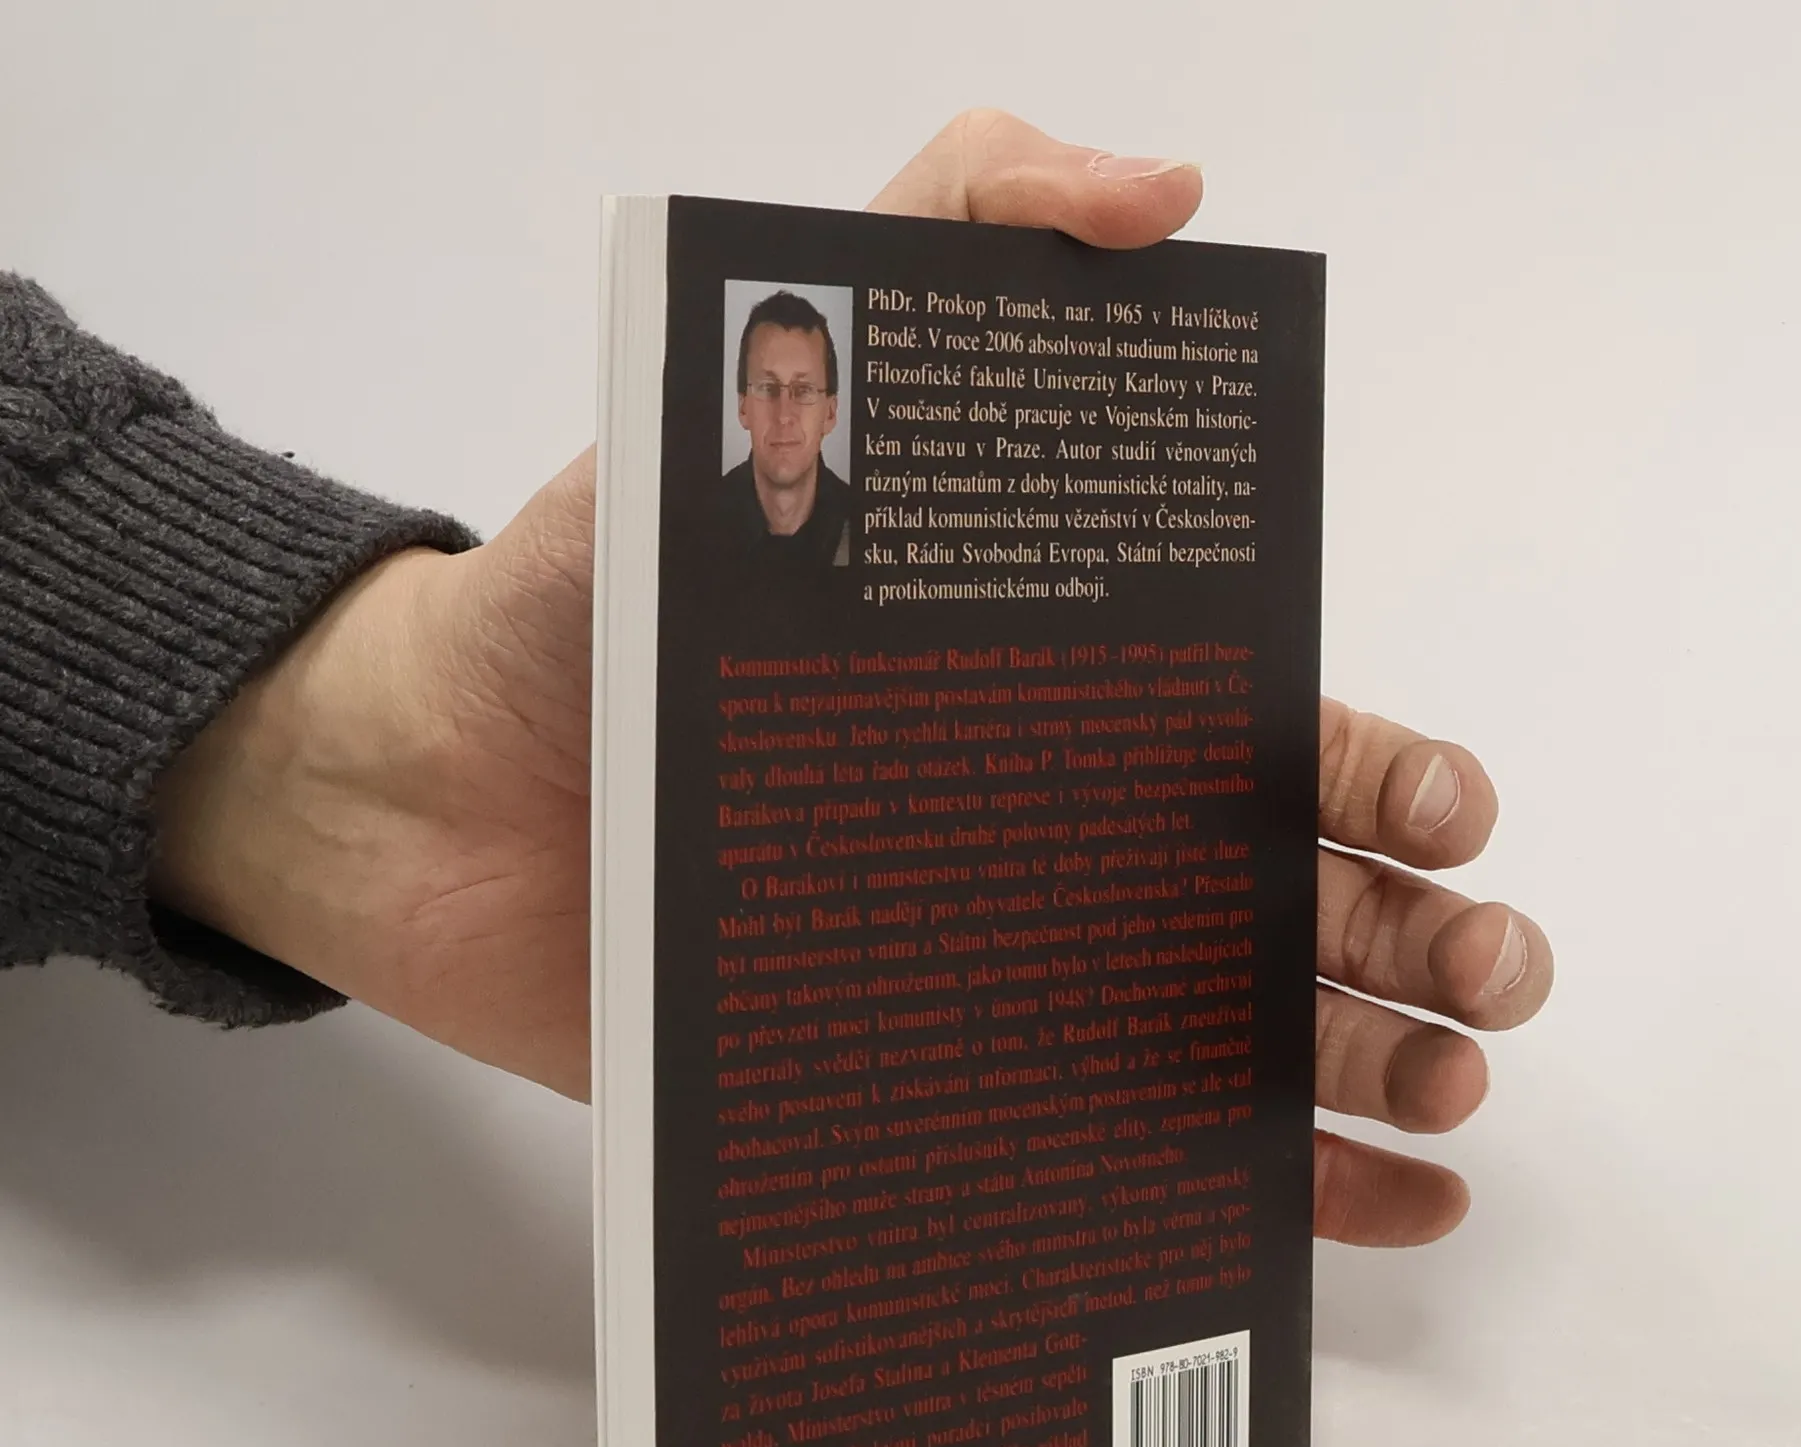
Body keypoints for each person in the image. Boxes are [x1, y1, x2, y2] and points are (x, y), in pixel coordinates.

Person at [0, 109, 1553, 1250]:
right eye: (774, 388)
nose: (796, 418)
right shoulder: (748, 550)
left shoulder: (850, 577)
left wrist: (389, 733)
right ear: (745, 404)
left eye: (817, 389)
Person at [721, 290, 851, 566]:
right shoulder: (695, 524)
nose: (783, 415)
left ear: (830, 413)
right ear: (743, 407)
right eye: (767, 388)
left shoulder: (868, 523)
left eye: (803, 390)